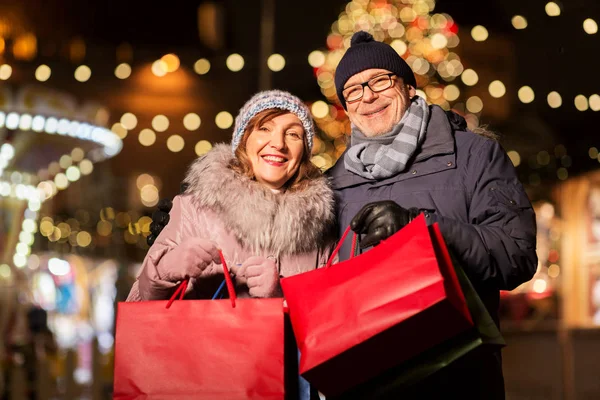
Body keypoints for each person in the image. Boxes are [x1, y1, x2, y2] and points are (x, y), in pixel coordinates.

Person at [148, 32, 537, 399]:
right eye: (353, 90)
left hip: (455, 379)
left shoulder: (471, 155)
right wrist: (195, 209)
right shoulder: (332, 184)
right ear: (346, 106)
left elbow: (517, 255)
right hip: (361, 382)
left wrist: (424, 228)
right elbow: (290, 238)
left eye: (380, 81)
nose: (368, 97)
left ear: (408, 86)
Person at [127, 90, 336, 303]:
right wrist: (166, 269)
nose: (279, 144)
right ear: (243, 140)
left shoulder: (321, 227)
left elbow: (330, 320)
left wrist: (281, 296)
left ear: (304, 151)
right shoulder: (194, 209)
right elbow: (137, 306)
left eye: (293, 134)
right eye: (264, 128)